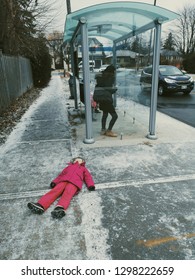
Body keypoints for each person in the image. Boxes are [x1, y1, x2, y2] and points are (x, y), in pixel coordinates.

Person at [27, 157, 95, 219]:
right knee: (54, 191)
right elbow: (61, 175)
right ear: (73, 161)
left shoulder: (83, 169)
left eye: (79, 160)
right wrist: (55, 182)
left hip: (74, 183)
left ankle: (59, 208)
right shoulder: (68, 167)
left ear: (83, 162)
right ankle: (41, 205)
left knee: (67, 195)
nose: (77, 161)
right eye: (75, 160)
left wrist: (90, 185)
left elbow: (88, 177)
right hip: (63, 181)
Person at [95, 64, 118, 137]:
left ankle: (103, 130)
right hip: (107, 99)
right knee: (115, 116)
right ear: (112, 71)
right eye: (114, 71)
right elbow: (108, 89)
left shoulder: (101, 76)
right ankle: (109, 131)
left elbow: (100, 87)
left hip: (101, 99)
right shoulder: (110, 77)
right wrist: (114, 89)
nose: (114, 73)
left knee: (105, 114)